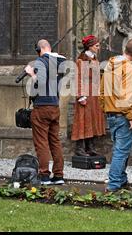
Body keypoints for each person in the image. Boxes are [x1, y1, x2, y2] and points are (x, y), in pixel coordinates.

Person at [100, 38, 132, 192]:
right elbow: (126, 97)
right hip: (123, 115)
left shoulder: (109, 64)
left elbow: (102, 91)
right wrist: (131, 117)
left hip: (111, 113)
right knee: (121, 152)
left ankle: (121, 180)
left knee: (119, 149)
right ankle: (113, 185)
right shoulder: (130, 69)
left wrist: (105, 107)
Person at [25, 39, 66, 185]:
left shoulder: (41, 61)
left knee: (41, 142)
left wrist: (31, 73)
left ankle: (44, 175)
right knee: (55, 141)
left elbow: (40, 83)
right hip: (54, 106)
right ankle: (59, 175)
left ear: (40, 49)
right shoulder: (60, 62)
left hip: (42, 106)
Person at [71, 35, 106, 156]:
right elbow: (77, 78)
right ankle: (80, 148)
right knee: (83, 120)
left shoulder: (95, 59)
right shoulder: (82, 60)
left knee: (92, 119)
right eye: (96, 46)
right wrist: (80, 96)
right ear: (90, 46)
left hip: (94, 94)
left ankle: (90, 146)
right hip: (86, 93)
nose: (98, 47)